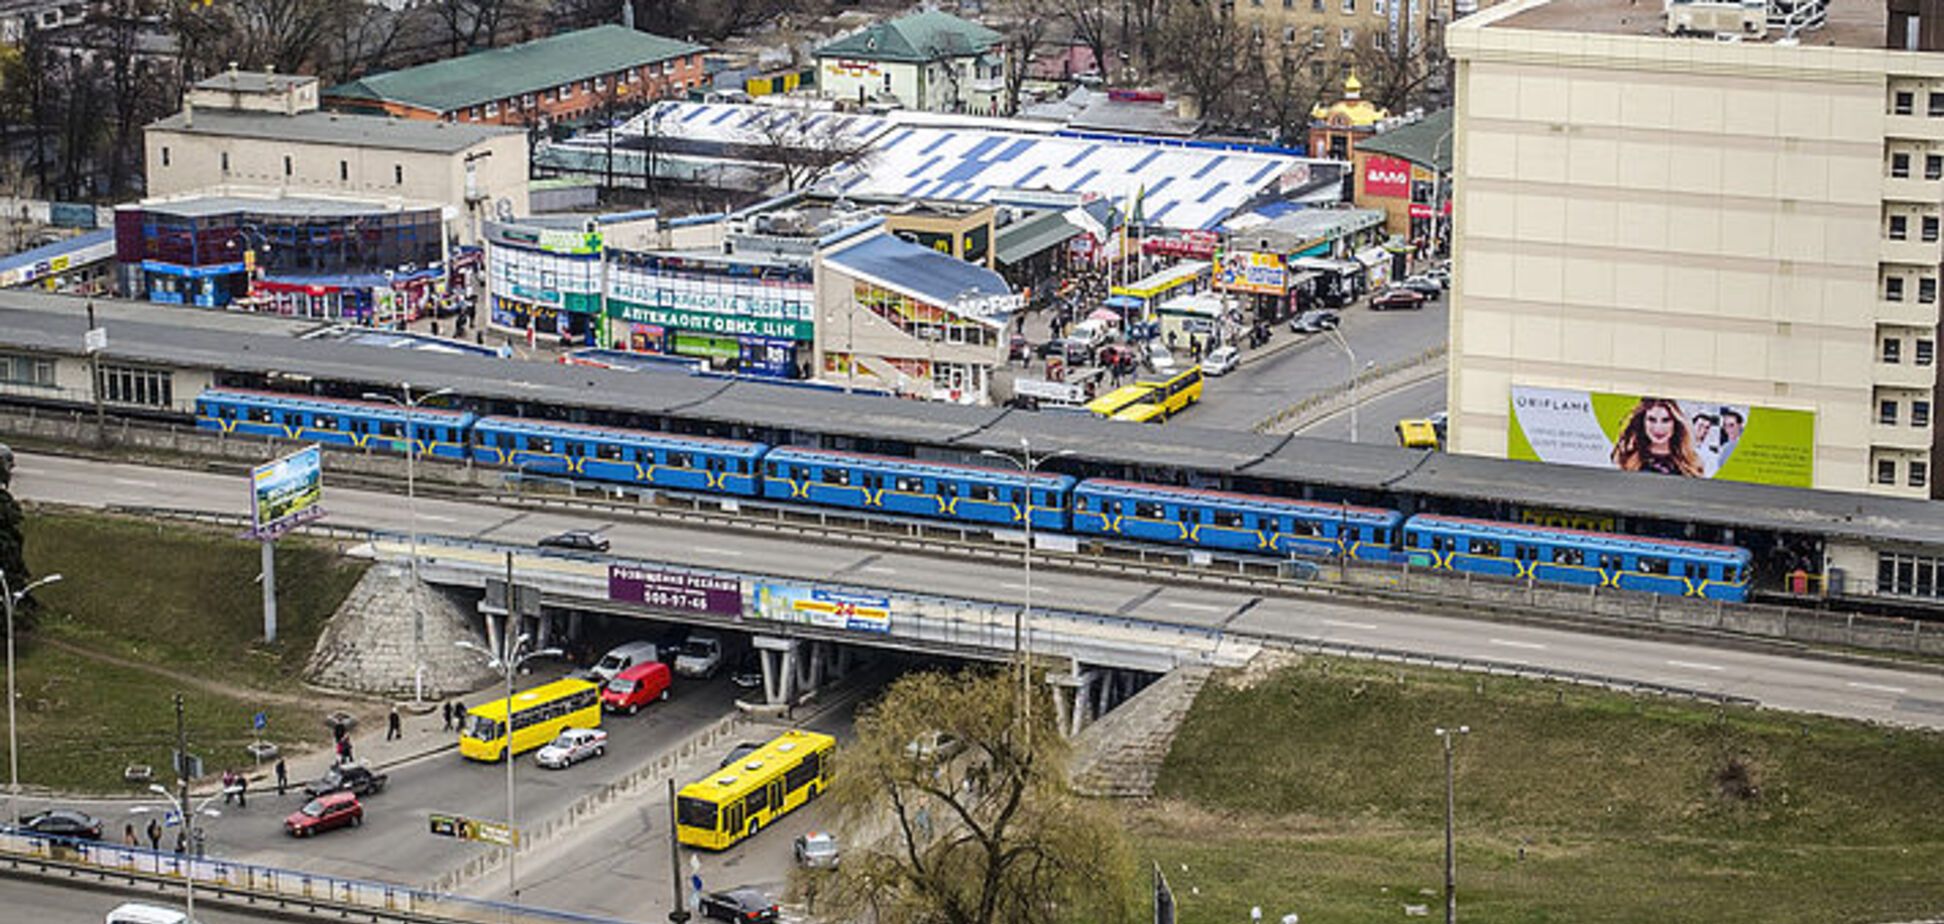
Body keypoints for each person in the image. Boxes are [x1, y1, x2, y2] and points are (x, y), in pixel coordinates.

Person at [1609, 397, 1704, 477]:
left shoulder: (1691, 462)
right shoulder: (1626, 459)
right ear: (1643, 422)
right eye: (1651, 419)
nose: (1658, 428)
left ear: (1675, 423)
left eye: (1666, 420)